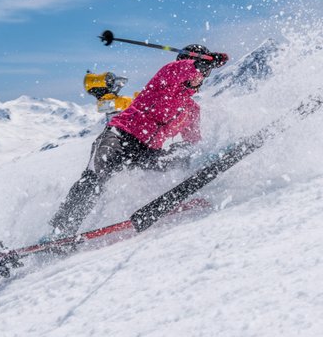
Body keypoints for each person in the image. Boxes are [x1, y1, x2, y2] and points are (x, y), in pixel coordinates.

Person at [48, 44, 229, 238]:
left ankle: (176, 195)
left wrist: (203, 158)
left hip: (148, 151)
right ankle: (62, 229)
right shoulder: (168, 76)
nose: (200, 76)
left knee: (182, 153)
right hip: (120, 136)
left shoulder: (191, 109)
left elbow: (194, 143)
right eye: (200, 70)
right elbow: (183, 68)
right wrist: (204, 62)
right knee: (98, 172)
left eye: (206, 73)